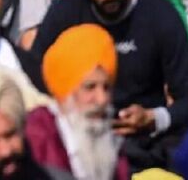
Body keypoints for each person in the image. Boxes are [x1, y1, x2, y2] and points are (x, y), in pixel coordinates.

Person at [32, 0, 188, 171]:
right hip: (77, 142)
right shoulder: (64, 15)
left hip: (145, 146)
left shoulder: (158, 14)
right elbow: (33, 81)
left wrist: (154, 118)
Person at [26, 24, 129, 179]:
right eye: (90, 87)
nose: (101, 100)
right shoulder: (37, 137)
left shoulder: (110, 141)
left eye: (106, 88)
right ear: (66, 92)